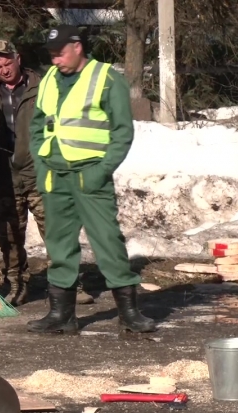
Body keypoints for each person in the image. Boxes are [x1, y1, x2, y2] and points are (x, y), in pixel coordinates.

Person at [28, 25, 155, 333]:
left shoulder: (106, 78)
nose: (55, 60)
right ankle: (62, 315)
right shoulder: (49, 80)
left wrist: (101, 170)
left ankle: (129, 314)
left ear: (77, 47)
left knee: (108, 242)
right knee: (58, 245)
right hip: (55, 175)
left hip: (89, 174)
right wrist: (42, 165)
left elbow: (122, 131)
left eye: (59, 53)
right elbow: (37, 125)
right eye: (51, 55)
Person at [0, 39, 53, 306]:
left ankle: (68, 283)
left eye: (7, 63)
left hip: (39, 172)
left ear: (18, 58)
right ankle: (16, 282)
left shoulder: (44, 85)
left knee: (56, 231)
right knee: (9, 237)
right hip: (4, 175)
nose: (3, 70)